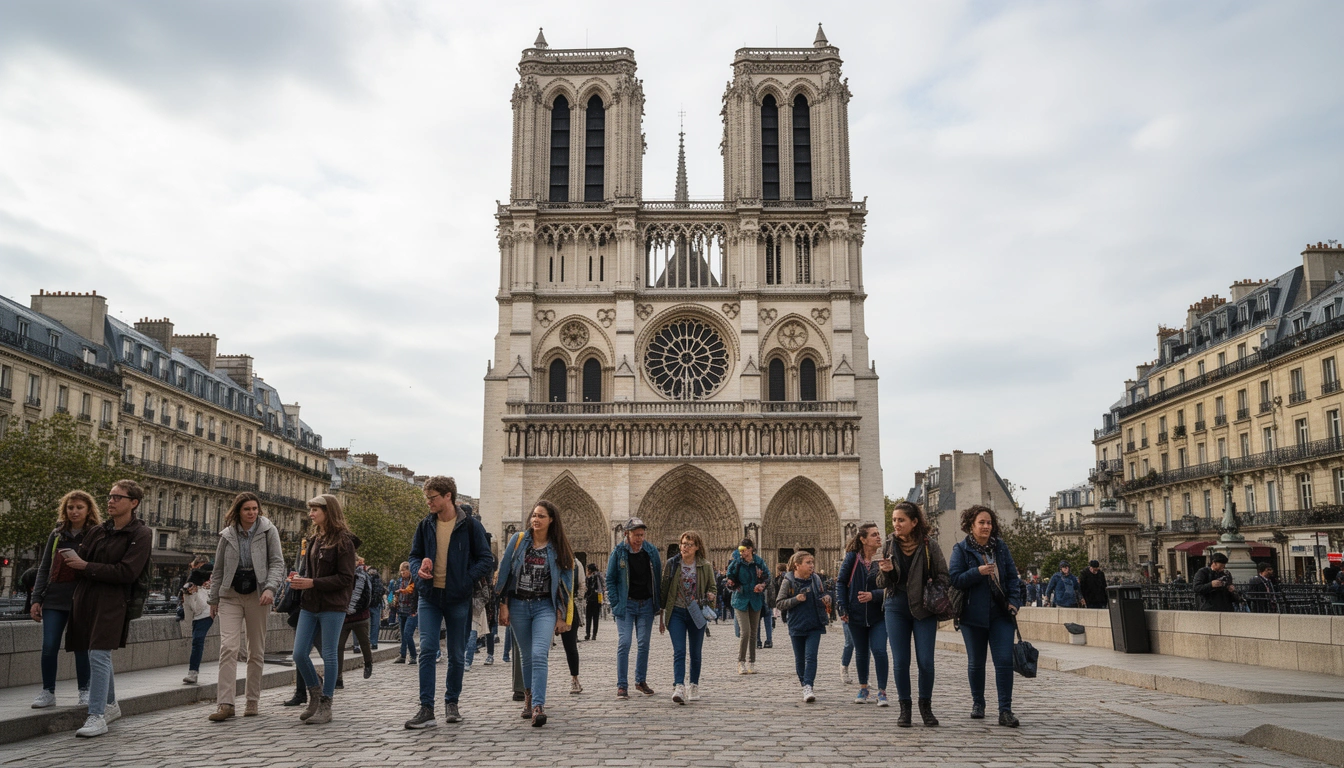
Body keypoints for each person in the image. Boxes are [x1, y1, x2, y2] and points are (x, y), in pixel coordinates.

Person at [403, 476, 495, 729]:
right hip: (429, 596)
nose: (428, 503)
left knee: (456, 654)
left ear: (447, 496)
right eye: (427, 498)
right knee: (428, 650)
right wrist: (418, 567)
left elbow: (487, 559)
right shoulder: (425, 525)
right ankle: (426, 708)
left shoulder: (471, 527)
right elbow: (413, 555)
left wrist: (465, 579)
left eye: (432, 498)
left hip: (457, 597)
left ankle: (452, 702)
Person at [66, 480, 153, 738]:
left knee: (98, 653)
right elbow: (83, 561)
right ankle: (111, 704)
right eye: (110, 496)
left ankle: (97, 715)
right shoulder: (98, 531)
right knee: (96, 652)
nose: (110, 501)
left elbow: (127, 572)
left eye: (117, 497)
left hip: (114, 600)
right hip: (87, 597)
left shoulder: (141, 534)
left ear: (133, 503)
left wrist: (85, 567)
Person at [495, 500, 575, 727]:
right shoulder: (518, 540)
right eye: (534, 515)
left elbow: (566, 585)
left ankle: (539, 704)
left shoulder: (559, 547)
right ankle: (528, 698)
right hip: (519, 605)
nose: (535, 519)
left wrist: (562, 616)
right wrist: (502, 603)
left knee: (540, 653)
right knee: (526, 655)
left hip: (544, 607)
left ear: (551, 520)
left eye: (541, 516)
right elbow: (505, 573)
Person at [206, 491, 285, 721]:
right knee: (228, 648)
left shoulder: (269, 531)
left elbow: (277, 563)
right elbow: (218, 569)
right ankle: (226, 703)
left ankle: (252, 700)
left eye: (255, 509)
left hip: (258, 594)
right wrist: (213, 599)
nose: (252, 513)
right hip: (230, 594)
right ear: (238, 511)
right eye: (247, 509)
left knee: (255, 650)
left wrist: (271, 588)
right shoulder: (227, 535)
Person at [949, 505, 1023, 728]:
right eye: (981, 522)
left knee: (1003, 662)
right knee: (976, 663)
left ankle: (1005, 711)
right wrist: (977, 572)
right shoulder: (961, 549)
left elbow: (1012, 577)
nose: (986, 526)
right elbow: (955, 579)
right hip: (972, 616)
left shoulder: (1000, 547)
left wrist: (1014, 601)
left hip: (1001, 613)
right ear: (971, 525)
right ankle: (978, 703)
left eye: (989, 522)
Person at [288, 494, 358, 725]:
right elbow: (311, 573)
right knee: (299, 654)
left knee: (329, 654)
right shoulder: (315, 539)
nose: (311, 514)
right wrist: (300, 579)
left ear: (328, 512)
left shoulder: (344, 542)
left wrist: (313, 583)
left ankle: (326, 705)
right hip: (309, 604)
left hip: (332, 605)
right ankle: (315, 693)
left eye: (315, 510)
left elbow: (346, 578)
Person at [877, 501, 949, 727]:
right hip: (895, 606)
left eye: (901, 520)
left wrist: (931, 588)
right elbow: (881, 583)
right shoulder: (889, 545)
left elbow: (944, 576)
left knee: (926, 661)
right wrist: (885, 572)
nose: (896, 524)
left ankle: (925, 706)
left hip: (923, 606)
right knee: (900, 661)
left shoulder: (930, 545)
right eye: (894, 520)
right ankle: (904, 708)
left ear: (914, 522)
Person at [29, 490, 100, 709]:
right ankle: (48, 691)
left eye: (79, 507)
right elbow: (44, 568)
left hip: (80, 598)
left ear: (88, 510)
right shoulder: (57, 534)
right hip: (54, 597)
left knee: (81, 647)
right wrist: (36, 598)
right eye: (70, 507)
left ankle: (84, 690)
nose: (74, 511)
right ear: (65, 509)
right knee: (49, 646)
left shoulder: (95, 534)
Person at [605, 517, 662, 698]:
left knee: (644, 644)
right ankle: (622, 684)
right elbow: (610, 579)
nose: (639, 538)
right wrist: (615, 602)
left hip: (646, 604)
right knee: (625, 643)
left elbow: (658, 578)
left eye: (642, 535)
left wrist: (658, 604)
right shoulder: (618, 552)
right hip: (626, 605)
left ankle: (640, 680)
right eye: (636, 535)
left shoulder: (651, 551)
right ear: (626, 534)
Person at [658, 530, 716, 705]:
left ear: (697, 547)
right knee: (680, 651)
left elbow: (713, 587)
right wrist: (661, 616)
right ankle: (679, 686)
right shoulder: (672, 564)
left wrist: (711, 596)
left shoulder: (705, 566)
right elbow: (664, 590)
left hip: (696, 612)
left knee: (695, 653)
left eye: (689, 544)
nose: (684, 547)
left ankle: (694, 684)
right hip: (676, 611)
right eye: (683, 544)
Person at [837, 523, 889, 707]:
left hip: (879, 614)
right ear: (863, 539)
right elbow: (841, 582)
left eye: (878, 533)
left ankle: (882, 691)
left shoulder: (884, 558)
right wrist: (842, 607)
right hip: (856, 614)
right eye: (874, 534)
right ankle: (864, 687)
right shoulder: (852, 558)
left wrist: (873, 595)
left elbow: (892, 587)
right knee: (861, 652)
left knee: (880, 650)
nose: (878, 537)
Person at [776, 550, 830, 702]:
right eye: (808, 563)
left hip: (815, 623)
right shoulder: (788, 581)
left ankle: (809, 686)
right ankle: (804, 683)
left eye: (812, 562)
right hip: (797, 624)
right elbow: (779, 603)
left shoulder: (816, 579)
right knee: (800, 659)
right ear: (797, 565)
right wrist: (796, 599)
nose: (812, 565)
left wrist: (826, 598)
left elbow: (823, 594)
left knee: (811, 657)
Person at [725, 538, 769, 675]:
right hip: (740, 600)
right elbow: (728, 578)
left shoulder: (759, 562)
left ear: (750, 549)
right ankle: (741, 662)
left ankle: (752, 662)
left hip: (755, 599)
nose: (741, 552)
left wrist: (762, 585)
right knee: (745, 631)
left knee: (753, 633)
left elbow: (768, 577)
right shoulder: (736, 563)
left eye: (743, 550)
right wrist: (732, 583)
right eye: (740, 550)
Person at [335, 557, 375, 689]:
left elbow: (367, 596)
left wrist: (354, 608)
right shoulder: (340, 576)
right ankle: (338, 678)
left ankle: (368, 662)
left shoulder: (362, 577)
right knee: (338, 647)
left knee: (364, 643)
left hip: (360, 617)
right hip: (344, 618)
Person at [179, 571, 212, 686]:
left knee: (197, 640)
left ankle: (192, 672)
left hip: (207, 615)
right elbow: (190, 611)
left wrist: (196, 593)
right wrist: (188, 595)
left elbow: (202, 607)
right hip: (196, 619)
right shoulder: (188, 593)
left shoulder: (203, 591)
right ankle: (193, 672)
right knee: (196, 642)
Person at [388, 562, 418, 664]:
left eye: (404, 572)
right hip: (401, 610)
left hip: (411, 611)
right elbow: (393, 595)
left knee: (407, 634)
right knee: (402, 634)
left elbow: (412, 593)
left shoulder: (414, 581)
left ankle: (413, 655)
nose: (402, 574)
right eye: (401, 572)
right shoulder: (398, 581)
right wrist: (393, 606)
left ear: (409, 571)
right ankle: (403, 655)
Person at [584, 563, 603, 640]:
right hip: (596, 598)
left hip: (591, 598)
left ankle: (588, 634)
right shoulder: (598, 575)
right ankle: (593, 635)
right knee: (595, 617)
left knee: (589, 617)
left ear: (590, 570)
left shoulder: (594, 576)